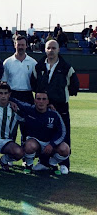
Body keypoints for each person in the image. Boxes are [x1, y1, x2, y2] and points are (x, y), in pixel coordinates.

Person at [31, 39, 79, 174]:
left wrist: (58, 98)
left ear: (58, 50)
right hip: (43, 108)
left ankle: (64, 163)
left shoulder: (66, 68)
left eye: (54, 48)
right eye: (49, 48)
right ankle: (44, 162)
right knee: (44, 135)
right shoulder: (39, 67)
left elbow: (74, 86)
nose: (51, 50)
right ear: (45, 50)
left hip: (60, 108)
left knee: (64, 135)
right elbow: (34, 85)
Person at [10, 91, 70, 176]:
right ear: (35, 101)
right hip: (35, 143)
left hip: (50, 145)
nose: (41, 101)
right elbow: (17, 102)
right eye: (38, 99)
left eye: (44, 99)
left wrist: (52, 144)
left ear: (47, 101)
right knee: (29, 145)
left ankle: (52, 164)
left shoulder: (54, 114)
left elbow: (62, 132)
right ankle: (29, 165)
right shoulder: (29, 109)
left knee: (65, 148)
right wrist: (8, 99)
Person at [1, 35, 37, 104]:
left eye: (22, 45)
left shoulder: (33, 62)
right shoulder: (7, 62)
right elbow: (4, 81)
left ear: (26, 46)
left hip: (27, 95)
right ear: (15, 45)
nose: (20, 47)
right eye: (18, 45)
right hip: (12, 94)